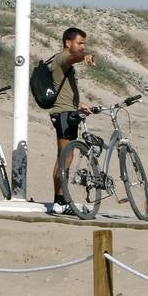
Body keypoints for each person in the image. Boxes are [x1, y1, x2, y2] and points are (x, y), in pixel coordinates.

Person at [48, 26, 97, 212]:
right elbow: (73, 57)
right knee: (64, 157)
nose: (83, 46)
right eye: (80, 43)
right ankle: (59, 201)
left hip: (69, 111)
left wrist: (79, 104)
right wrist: (84, 56)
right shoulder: (62, 58)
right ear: (68, 43)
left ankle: (60, 200)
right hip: (63, 114)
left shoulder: (66, 63)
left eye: (84, 43)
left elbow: (66, 91)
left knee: (67, 156)